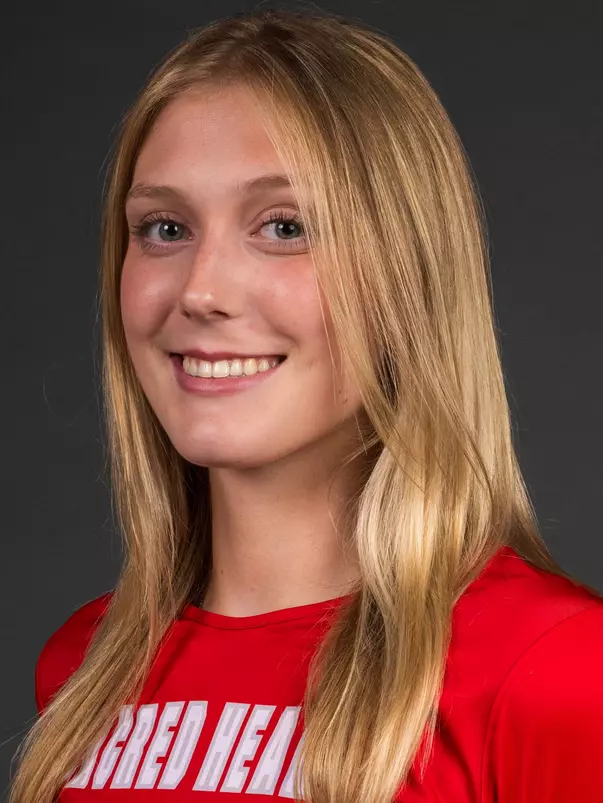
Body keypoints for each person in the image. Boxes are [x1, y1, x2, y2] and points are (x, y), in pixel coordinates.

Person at [9, 7, 603, 803]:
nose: (201, 290)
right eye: (163, 227)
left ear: (407, 277)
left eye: (283, 226)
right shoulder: (83, 668)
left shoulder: (554, 669)